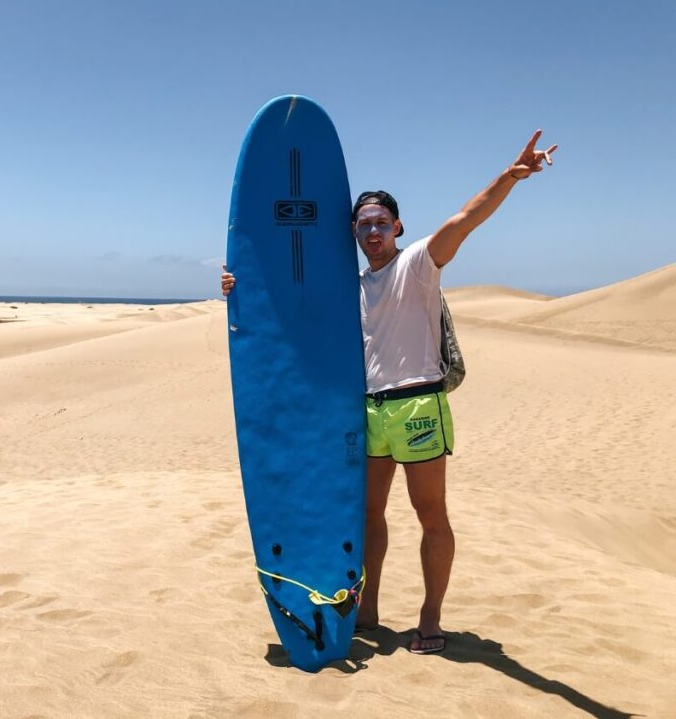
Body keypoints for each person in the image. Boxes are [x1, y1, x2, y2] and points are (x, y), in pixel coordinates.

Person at [221, 130, 558, 655]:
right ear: (353, 232)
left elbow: (464, 221)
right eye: (364, 225)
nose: (373, 231)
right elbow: (290, 310)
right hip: (368, 413)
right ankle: (368, 607)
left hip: (419, 405)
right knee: (367, 516)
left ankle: (430, 617)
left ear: (398, 227)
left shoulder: (419, 264)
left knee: (430, 515)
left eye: (382, 223)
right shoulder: (348, 288)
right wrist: (236, 286)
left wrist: (509, 178)